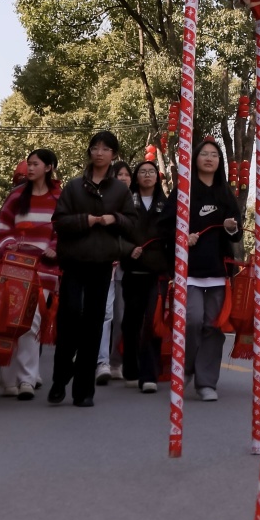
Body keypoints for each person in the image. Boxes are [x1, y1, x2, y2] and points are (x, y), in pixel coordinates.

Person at [50, 131, 138, 406]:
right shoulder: (74, 187)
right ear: (90, 152)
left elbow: (133, 224)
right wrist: (85, 220)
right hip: (74, 261)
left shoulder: (121, 191)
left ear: (114, 154)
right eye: (95, 147)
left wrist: (115, 218)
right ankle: (60, 377)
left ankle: (84, 389)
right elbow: (59, 221)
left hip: (102, 264)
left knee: (93, 325)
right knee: (69, 318)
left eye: (106, 148)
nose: (99, 152)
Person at [162, 136, 242, 401]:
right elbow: (165, 224)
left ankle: (206, 382)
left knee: (213, 326)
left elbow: (235, 234)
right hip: (189, 271)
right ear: (195, 159)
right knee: (192, 320)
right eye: (204, 154)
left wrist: (232, 228)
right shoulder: (183, 191)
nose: (209, 158)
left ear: (219, 163)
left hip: (218, 271)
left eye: (215, 155)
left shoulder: (225, 193)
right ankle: (184, 369)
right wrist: (182, 236)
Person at [0, 148, 62, 400]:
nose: (30, 168)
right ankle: (8, 377)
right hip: (13, 267)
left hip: (43, 270)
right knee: (9, 321)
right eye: (29, 164)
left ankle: (27, 380)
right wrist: (9, 245)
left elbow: (63, 231)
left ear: (49, 167)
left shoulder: (59, 198)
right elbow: (3, 228)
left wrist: (54, 249)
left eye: (35, 164)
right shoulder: (16, 196)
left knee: (32, 322)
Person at [121, 159, 172, 391]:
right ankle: (130, 367)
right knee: (131, 322)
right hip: (132, 270)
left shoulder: (167, 203)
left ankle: (149, 375)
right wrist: (127, 249)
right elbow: (117, 232)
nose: (147, 175)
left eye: (151, 171)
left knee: (153, 321)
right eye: (142, 172)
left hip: (157, 273)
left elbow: (174, 234)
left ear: (157, 177)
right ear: (136, 176)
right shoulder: (126, 203)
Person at [97, 160, 132, 384]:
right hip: (103, 263)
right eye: (119, 175)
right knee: (105, 314)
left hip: (128, 267)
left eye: (127, 174)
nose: (124, 178)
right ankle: (101, 362)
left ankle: (116, 360)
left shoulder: (136, 203)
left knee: (121, 316)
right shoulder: (103, 200)